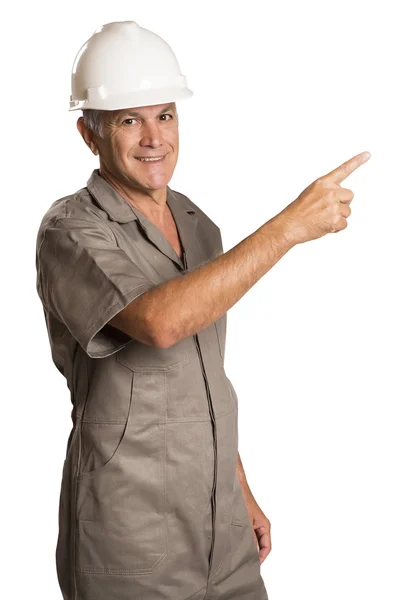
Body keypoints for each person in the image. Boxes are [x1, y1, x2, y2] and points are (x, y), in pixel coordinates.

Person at [35, 20, 370, 600]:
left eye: (164, 115)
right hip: (130, 543)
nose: (153, 138)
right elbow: (160, 323)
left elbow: (202, 377)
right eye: (128, 120)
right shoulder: (72, 230)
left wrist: (240, 491)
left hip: (223, 535)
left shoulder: (197, 226)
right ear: (89, 134)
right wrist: (288, 227)